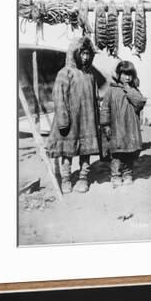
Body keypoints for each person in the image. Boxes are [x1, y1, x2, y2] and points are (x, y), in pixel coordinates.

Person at [46, 37, 101, 194]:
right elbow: (59, 96)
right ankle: (66, 179)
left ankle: (83, 178)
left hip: (87, 120)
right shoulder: (65, 73)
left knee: (86, 151)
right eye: (82, 54)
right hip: (70, 120)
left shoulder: (90, 75)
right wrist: (63, 119)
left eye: (88, 54)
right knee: (67, 152)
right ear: (75, 54)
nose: (85, 57)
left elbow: (95, 98)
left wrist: (97, 120)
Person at [100, 61, 147, 188]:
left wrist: (128, 89)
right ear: (118, 74)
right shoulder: (111, 90)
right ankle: (115, 175)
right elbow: (105, 108)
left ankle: (127, 173)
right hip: (116, 128)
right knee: (116, 154)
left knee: (129, 152)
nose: (127, 77)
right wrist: (106, 125)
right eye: (124, 74)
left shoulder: (134, 91)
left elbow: (140, 103)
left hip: (130, 127)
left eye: (130, 75)